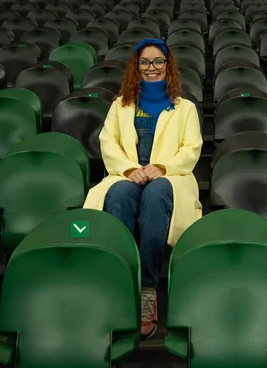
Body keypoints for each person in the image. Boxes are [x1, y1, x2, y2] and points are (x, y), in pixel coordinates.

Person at [83, 38, 203, 339]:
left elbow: (192, 148)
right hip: (128, 173)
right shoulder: (120, 105)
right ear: (136, 67)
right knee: (119, 193)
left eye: (158, 61)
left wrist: (162, 168)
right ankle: (120, 284)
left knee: (157, 192)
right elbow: (108, 143)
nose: (152, 67)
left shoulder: (185, 108)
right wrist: (128, 169)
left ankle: (147, 289)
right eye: (145, 62)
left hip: (169, 176)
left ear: (168, 65)